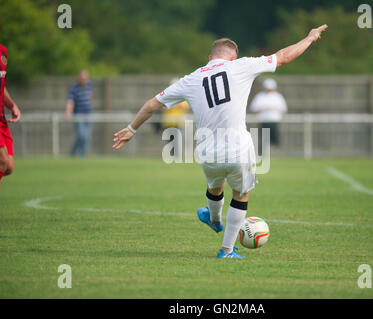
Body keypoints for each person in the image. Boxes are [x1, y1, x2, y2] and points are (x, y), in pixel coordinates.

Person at [113, 24, 328, 258]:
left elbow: (152, 104)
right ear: (232, 57)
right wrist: (309, 38)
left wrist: (132, 128)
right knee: (241, 194)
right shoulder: (242, 65)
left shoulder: (191, 79)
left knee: (216, 187)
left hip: (206, 149)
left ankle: (213, 218)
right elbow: (283, 57)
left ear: (209, 58)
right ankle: (226, 250)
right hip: (238, 146)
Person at [0, 12, 22, 224]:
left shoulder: (2, 53)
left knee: (8, 166)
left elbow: (0, 87)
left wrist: (12, 105)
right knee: (1, 161)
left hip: (0, 117)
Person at [249, 78, 287, 147]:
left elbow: (283, 109)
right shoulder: (260, 96)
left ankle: (275, 151)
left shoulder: (278, 97)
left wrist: (273, 109)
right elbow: (253, 108)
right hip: (263, 121)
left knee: (275, 139)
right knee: (264, 139)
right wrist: (264, 109)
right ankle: (265, 152)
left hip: (275, 121)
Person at [65, 69, 93, 157]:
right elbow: (70, 100)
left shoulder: (89, 85)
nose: (84, 80)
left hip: (88, 114)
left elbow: (90, 96)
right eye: (82, 78)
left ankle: (83, 156)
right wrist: (68, 111)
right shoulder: (74, 87)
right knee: (81, 136)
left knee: (87, 137)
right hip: (78, 115)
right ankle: (73, 154)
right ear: (79, 78)